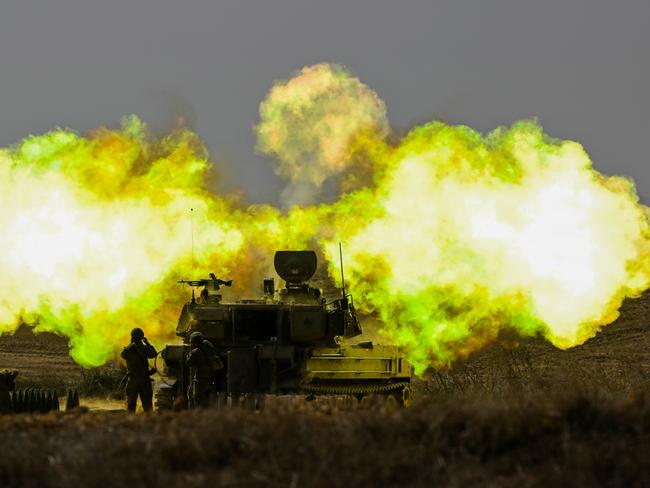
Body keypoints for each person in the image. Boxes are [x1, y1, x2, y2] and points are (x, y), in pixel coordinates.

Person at [121, 328, 157, 412]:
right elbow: (154, 354)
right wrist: (147, 343)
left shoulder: (127, 349)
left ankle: (131, 422)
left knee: (131, 406)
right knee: (147, 406)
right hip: (144, 380)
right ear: (142, 337)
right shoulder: (144, 348)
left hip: (132, 380)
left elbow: (123, 355)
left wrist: (131, 343)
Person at [186, 331, 223, 407]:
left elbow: (189, 363)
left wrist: (188, 355)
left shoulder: (195, 352)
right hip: (210, 380)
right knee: (210, 404)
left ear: (194, 342)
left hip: (199, 382)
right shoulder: (210, 349)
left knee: (197, 402)